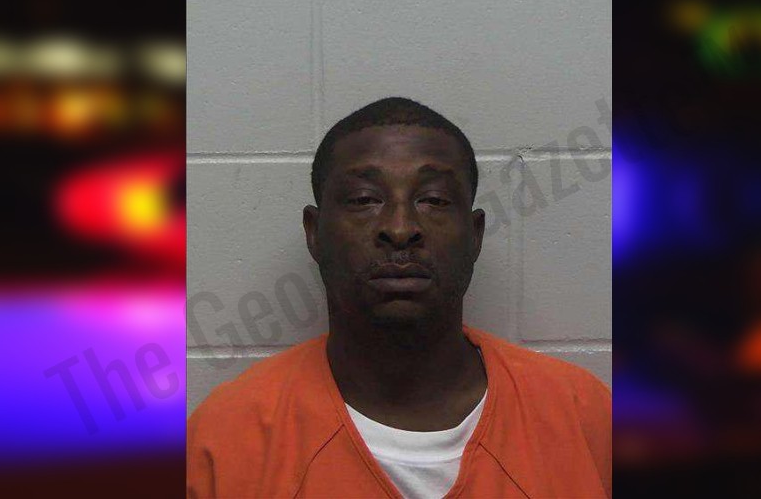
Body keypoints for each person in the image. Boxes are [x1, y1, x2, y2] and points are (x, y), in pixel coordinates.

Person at [187, 97, 611, 498]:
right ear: (314, 233)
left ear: (475, 235)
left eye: (433, 200)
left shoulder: (582, 416)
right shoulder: (225, 439)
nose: (401, 227)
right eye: (364, 200)